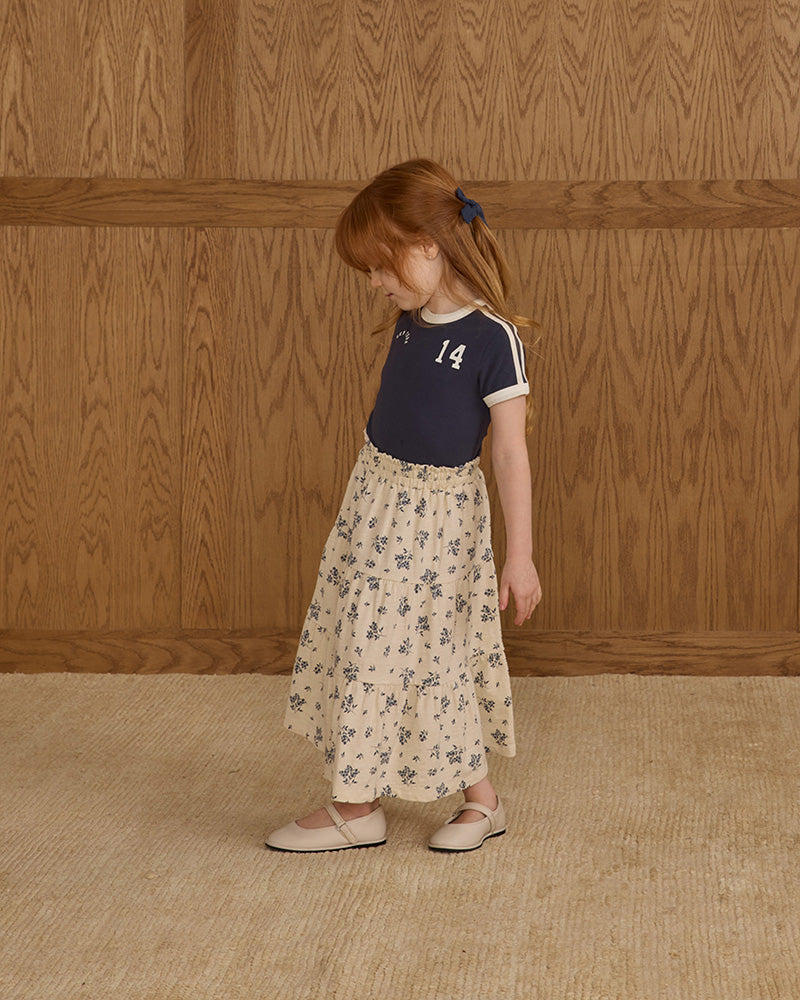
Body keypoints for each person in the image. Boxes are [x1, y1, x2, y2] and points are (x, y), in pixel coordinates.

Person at [266, 159, 542, 854]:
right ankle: (427, 800)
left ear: (426, 244)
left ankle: (376, 806)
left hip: (437, 518)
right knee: (371, 640)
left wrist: (521, 556)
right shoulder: (410, 320)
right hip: (377, 498)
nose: (374, 284)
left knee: (424, 649)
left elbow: (509, 453)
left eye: (379, 267)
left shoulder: (491, 339)